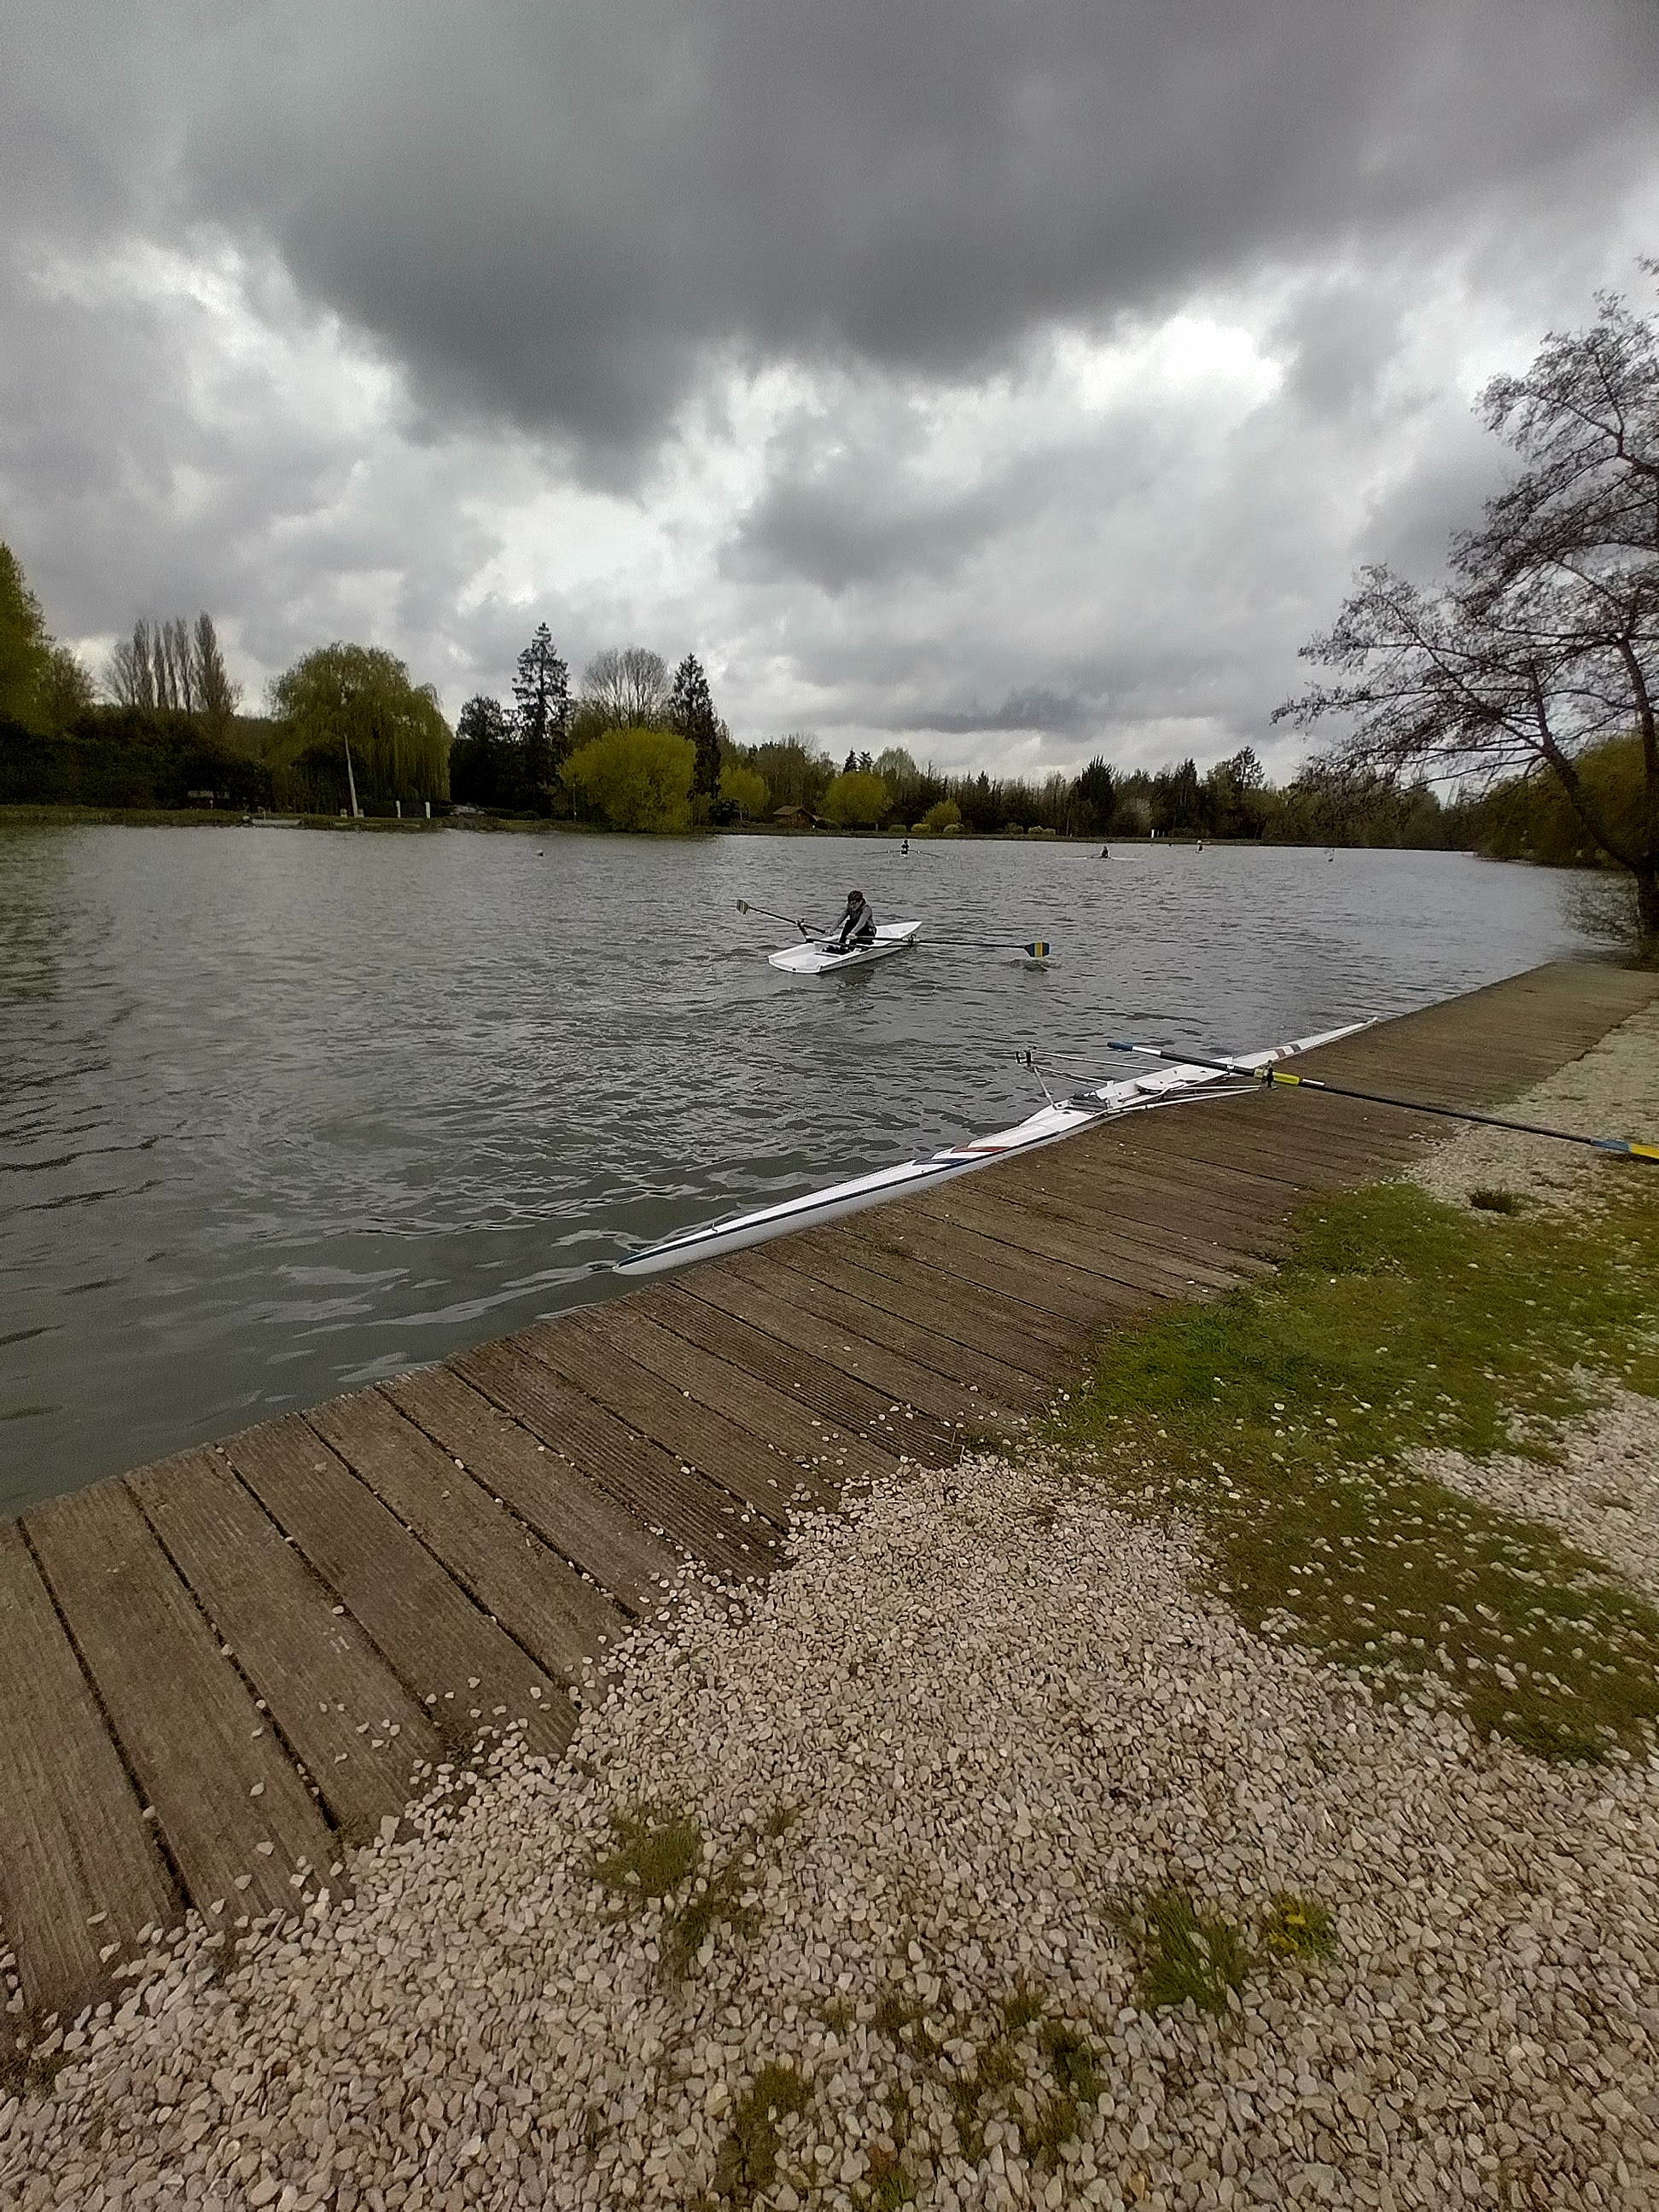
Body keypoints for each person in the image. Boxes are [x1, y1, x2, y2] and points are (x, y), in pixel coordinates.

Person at [828, 888, 877, 952]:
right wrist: (832, 930)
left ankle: (852, 948)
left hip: (868, 932)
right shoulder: (850, 906)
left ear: (860, 902)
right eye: (850, 904)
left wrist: (852, 933)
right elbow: (841, 918)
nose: (851, 906)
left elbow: (861, 922)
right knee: (849, 922)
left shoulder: (866, 909)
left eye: (854, 904)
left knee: (855, 922)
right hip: (855, 931)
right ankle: (841, 944)